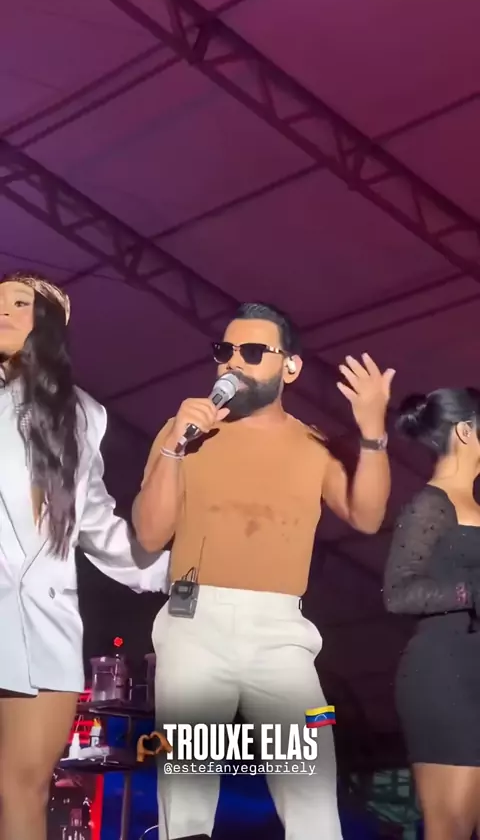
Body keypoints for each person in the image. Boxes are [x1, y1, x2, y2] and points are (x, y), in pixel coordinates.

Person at [134, 301, 395, 840]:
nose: (233, 361)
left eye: (252, 352)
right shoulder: (183, 431)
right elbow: (150, 534)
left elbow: (367, 517)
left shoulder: (315, 445)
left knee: (312, 796)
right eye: (224, 350)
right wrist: (176, 446)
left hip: (282, 636)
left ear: (290, 367)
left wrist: (372, 433)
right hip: (193, 625)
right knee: (185, 800)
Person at [0, 272, 170, 840]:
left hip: (44, 621)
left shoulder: (81, 414)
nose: (2, 312)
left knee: (24, 787)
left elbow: (93, 521)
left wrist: (173, 571)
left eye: (18, 303)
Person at [383, 388, 480, 840]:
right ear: (465, 431)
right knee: (451, 828)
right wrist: (471, 590)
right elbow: (398, 593)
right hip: (444, 675)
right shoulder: (430, 504)